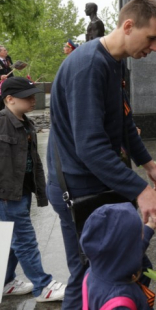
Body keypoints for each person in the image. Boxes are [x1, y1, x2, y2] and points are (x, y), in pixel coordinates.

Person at [46, 0, 156, 310]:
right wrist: (141, 191)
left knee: (126, 267)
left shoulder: (115, 61)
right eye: (151, 38)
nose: (155, 47)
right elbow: (91, 147)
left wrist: (147, 164)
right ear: (128, 26)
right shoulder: (89, 66)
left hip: (97, 184)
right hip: (79, 189)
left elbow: (124, 120)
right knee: (87, 276)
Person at [0, 77, 66, 302]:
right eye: (26, 96)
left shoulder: (26, 123)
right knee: (24, 239)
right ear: (9, 99)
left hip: (22, 189)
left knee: (11, 237)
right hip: (7, 193)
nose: (32, 99)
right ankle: (43, 286)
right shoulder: (2, 122)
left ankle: (5, 281)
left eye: (33, 95)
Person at [80, 203, 156, 310]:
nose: (142, 237)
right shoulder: (120, 303)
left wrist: (150, 226)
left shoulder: (92, 272)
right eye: (138, 237)